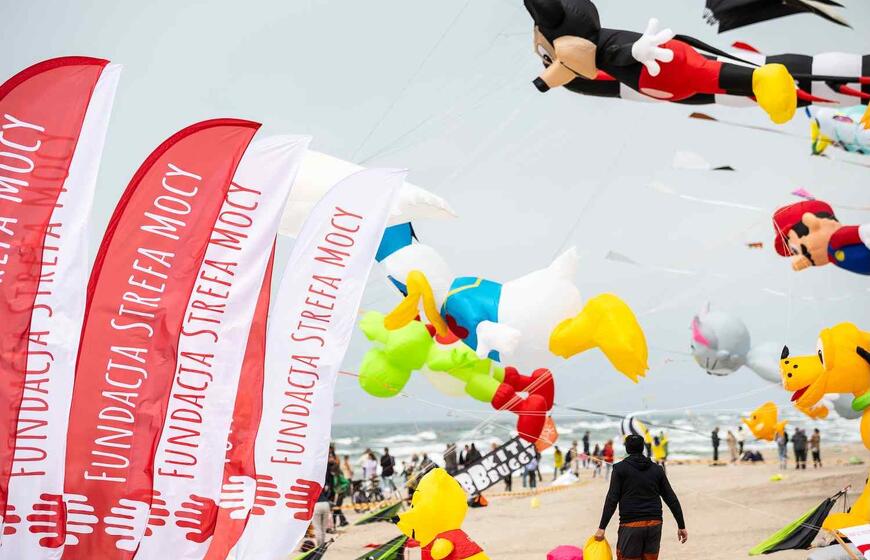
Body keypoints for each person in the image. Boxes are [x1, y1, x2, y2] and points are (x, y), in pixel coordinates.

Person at [594, 435, 688, 559]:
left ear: (627, 448)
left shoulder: (619, 469)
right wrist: (681, 525)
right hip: (654, 524)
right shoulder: (657, 469)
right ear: (642, 447)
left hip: (631, 524)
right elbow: (671, 498)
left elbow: (612, 499)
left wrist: (602, 527)